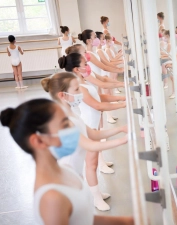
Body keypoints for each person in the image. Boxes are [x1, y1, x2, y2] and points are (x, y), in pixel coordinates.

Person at [0, 99, 134, 225]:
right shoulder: (52, 197)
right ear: (39, 141)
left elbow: (83, 218)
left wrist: (127, 221)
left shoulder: (67, 170)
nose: (73, 130)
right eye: (65, 125)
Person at [59, 53, 126, 211]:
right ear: (76, 68)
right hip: (88, 124)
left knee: (93, 163)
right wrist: (122, 105)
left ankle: (96, 192)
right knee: (91, 164)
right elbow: (97, 105)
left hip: (93, 125)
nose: (87, 65)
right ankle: (95, 197)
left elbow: (99, 96)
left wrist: (121, 99)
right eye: (84, 63)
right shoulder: (78, 86)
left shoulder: (82, 81)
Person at [41, 72, 128, 177]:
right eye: (77, 90)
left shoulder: (72, 114)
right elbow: (91, 145)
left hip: (75, 174)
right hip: (67, 176)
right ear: (62, 95)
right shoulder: (64, 121)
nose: (80, 93)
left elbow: (93, 134)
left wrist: (121, 129)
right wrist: (123, 140)